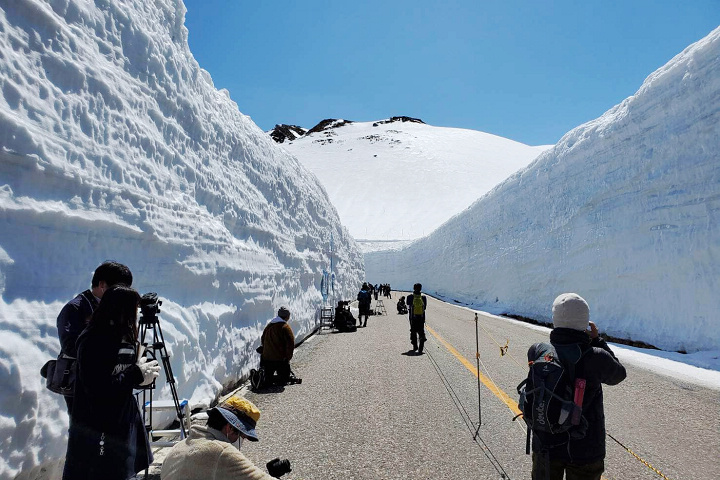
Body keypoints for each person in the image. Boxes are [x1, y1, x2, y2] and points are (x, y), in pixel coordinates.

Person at [62, 284, 160, 480]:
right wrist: (136, 374)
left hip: (121, 418)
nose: (135, 315)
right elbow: (98, 388)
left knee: (122, 471)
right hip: (98, 424)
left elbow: (120, 376)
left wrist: (141, 376)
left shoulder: (121, 334)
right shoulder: (93, 340)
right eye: (133, 309)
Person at [529, 293, 627, 480]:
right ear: (585, 322)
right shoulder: (596, 356)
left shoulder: (538, 351)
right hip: (585, 449)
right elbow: (619, 374)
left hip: (546, 443)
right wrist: (597, 340)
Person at [56, 261, 133, 413]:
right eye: (118, 289)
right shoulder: (75, 308)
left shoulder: (114, 308)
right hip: (80, 380)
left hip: (109, 378)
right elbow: (70, 346)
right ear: (102, 284)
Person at [161, 395, 289, 479]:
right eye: (242, 436)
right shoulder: (221, 452)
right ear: (229, 428)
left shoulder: (179, 446)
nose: (240, 441)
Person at [258, 307, 296, 386]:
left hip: (267, 359)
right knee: (284, 379)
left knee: (268, 378)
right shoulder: (285, 327)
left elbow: (263, 339)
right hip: (280, 360)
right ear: (287, 316)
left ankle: (269, 378)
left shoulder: (269, 326)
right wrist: (288, 357)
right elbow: (290, 343)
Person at [406, 283, 428, 353]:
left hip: (412, 317)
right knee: (421, 330)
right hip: (421, 317)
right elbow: (425, 308)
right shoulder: (423, 297)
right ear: (421, 288)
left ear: (413, 288)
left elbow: (408, 304)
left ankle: (415, 346)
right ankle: (421, 346)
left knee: (413, 331)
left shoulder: (410, 297)